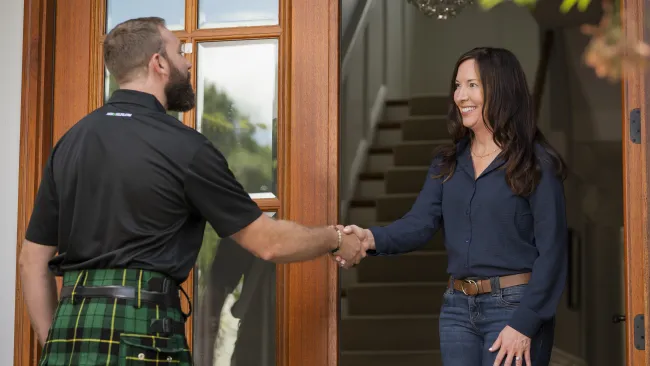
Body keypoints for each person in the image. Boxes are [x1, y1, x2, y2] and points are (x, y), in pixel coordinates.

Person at [18, 17, 365, 366]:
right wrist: (335, 238)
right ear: (159, 63)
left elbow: (33, 261)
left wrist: (57, 342)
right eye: (180, 52)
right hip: (141, 334)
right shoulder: (185, 148)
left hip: (71, 334)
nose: (187, 62)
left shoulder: (71, 142)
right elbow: (268, 242)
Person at [337, 47, 568, 366]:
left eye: (472, 85)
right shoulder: (446, 163)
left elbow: (553, 253)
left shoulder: (536, 163)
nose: (460, 96)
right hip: (457, 310)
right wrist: (368, 238)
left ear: (501, 88)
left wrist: (525, 323)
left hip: (514, 307)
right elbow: (418, 224)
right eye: (457, 86)